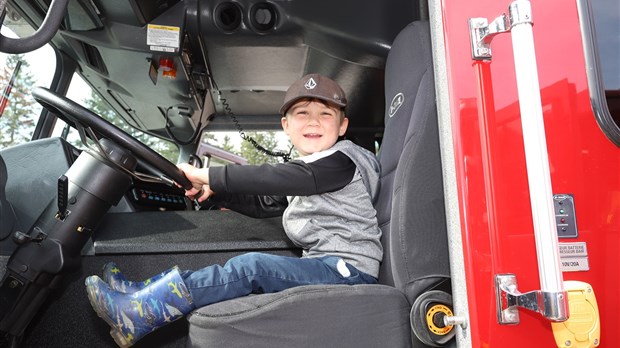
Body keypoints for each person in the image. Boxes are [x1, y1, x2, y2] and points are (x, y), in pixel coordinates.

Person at [84, 73, 383, 347]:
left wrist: (209, 175)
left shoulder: (342, 161)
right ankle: (141, 296)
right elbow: (267, 202)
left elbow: (279, 178)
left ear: (342, 126)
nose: (314, 122)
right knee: (248, 265)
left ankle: (141, 313)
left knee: (252, 266)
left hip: (349, 272)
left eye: (326, 114)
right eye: (302, 113)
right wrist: (218, 193)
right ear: (286, 125)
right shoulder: (309, 173)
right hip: (328, 265)